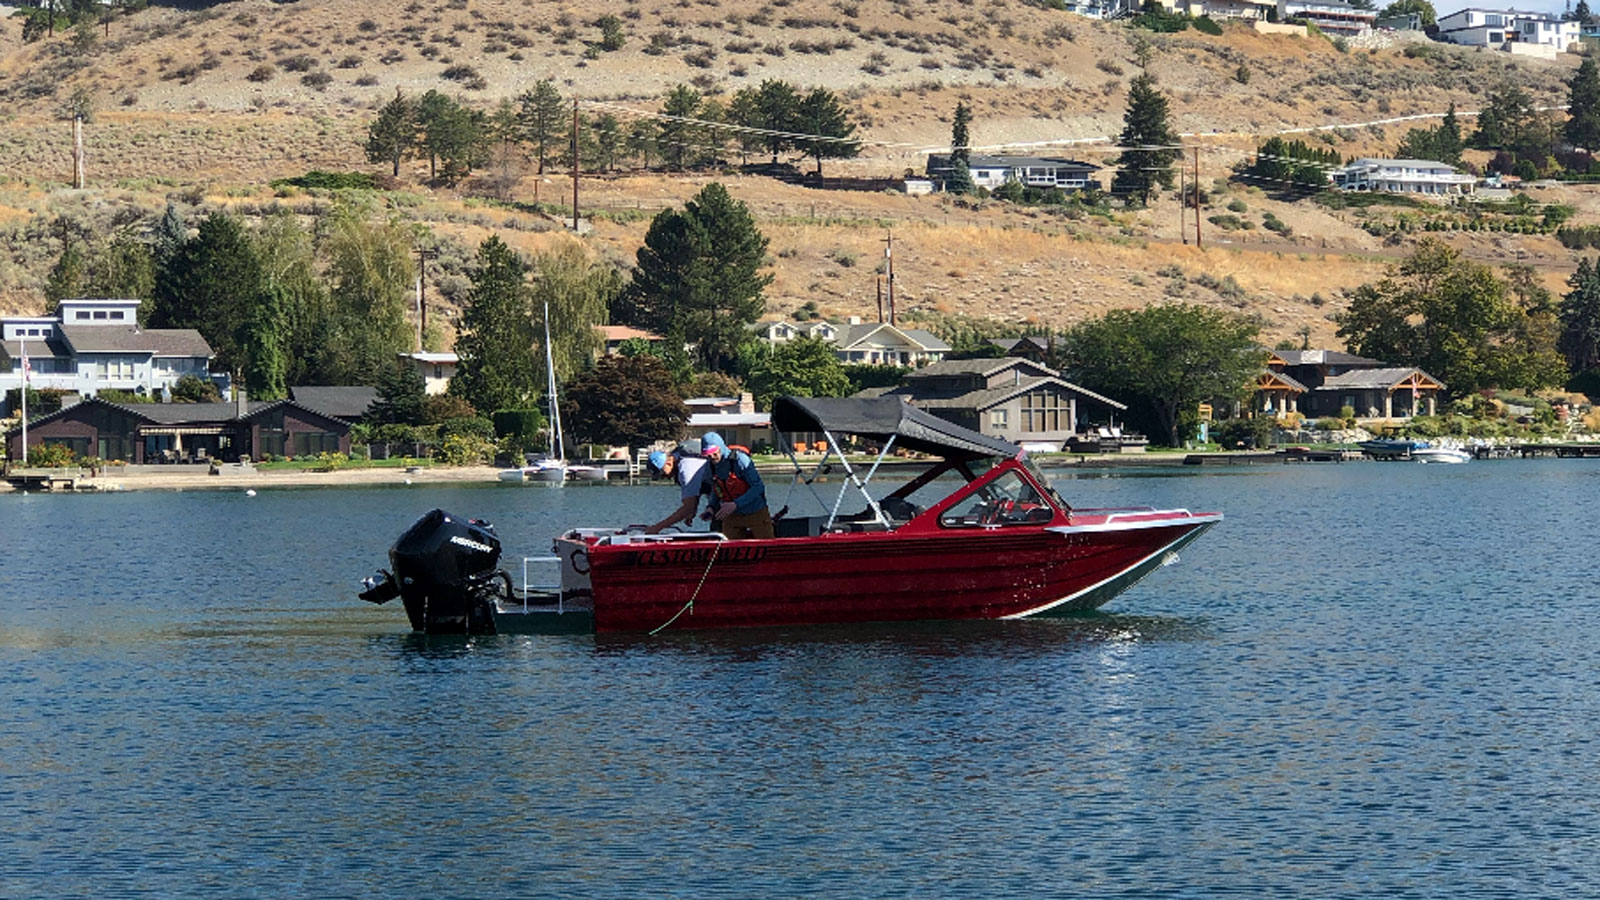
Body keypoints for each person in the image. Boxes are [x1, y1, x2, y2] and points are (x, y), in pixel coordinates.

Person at [699, 432, 774, 539]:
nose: (713, 457)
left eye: (715, 453)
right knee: (730, 551)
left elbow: (758, 487)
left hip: (755, 512)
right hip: (731, 516)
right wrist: (711, 507)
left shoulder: (739, 460)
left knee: (767, 545)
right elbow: (716, 489)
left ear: (721, 447)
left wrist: (736, 504)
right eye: (708, 455)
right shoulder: (710, 467)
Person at [643, 439, 711, 534]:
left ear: (669, 463)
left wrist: (657, 527)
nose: (665, 477)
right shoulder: (680, 458)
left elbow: (688, 508)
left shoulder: (686, 469)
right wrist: (693, 510)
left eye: (663, 474)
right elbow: (696, 487)